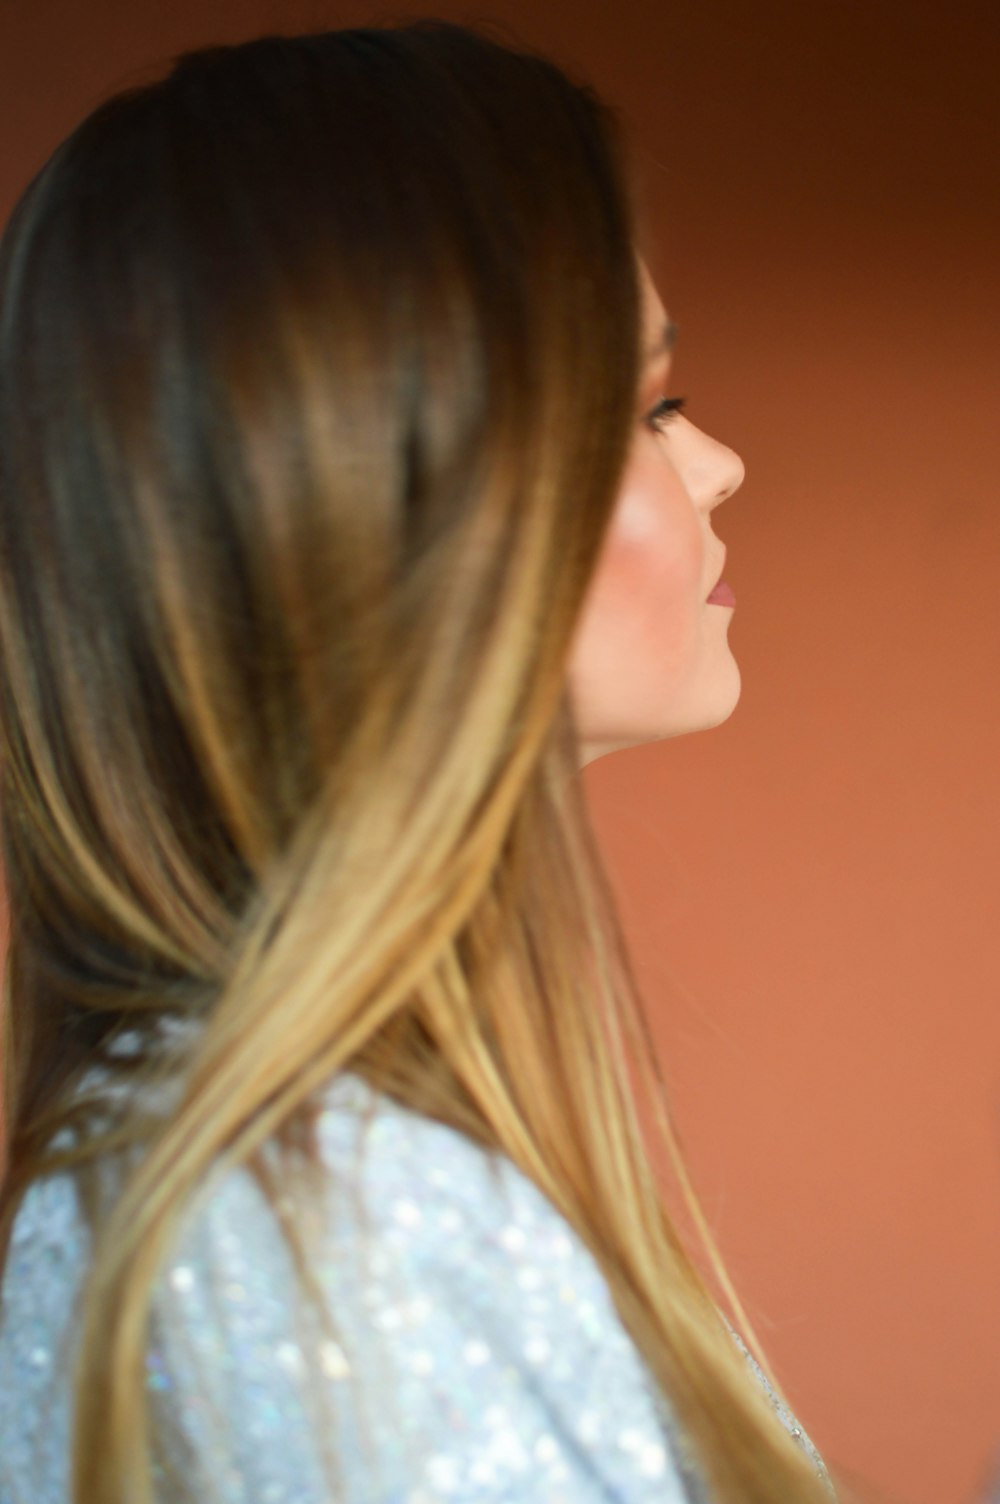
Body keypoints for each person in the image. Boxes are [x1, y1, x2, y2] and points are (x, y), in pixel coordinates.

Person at [0, 20, 835, 1504]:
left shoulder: (277, 1174)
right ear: (392, 505)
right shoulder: (330, 1229)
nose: (718, 466)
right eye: (646, 410)